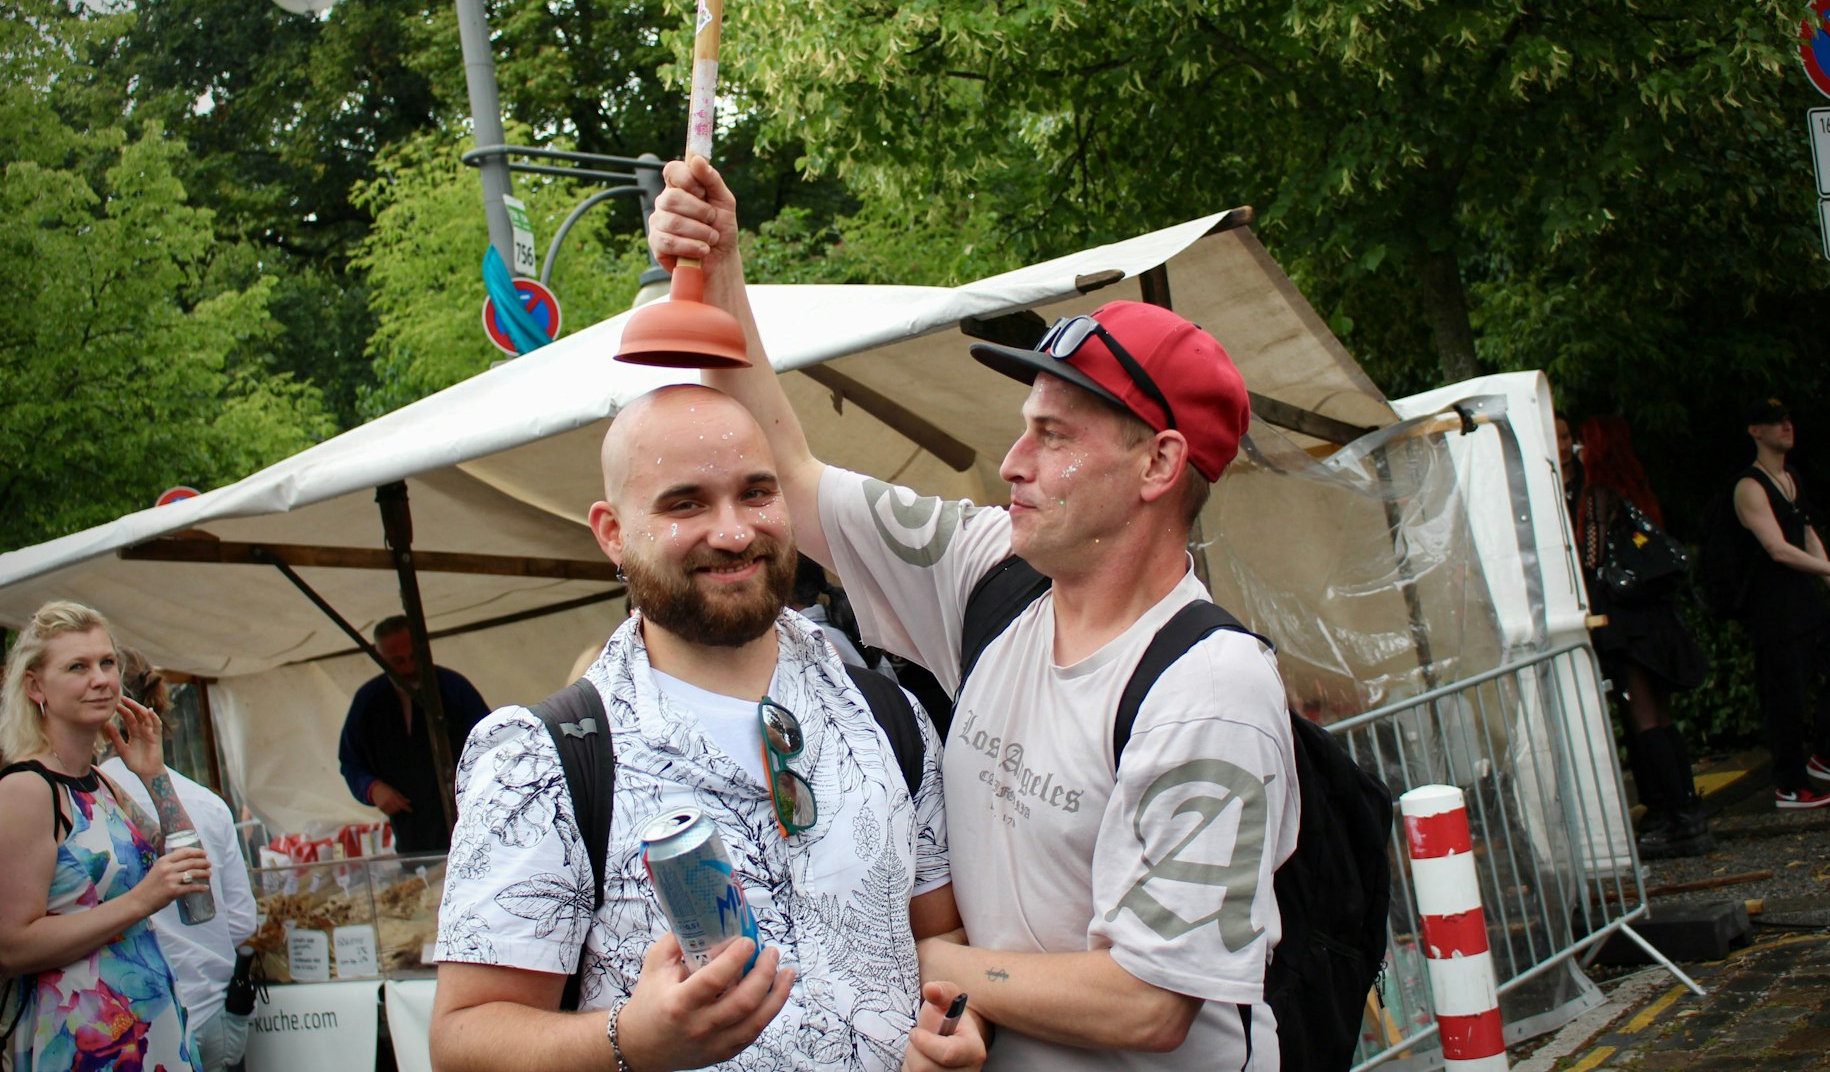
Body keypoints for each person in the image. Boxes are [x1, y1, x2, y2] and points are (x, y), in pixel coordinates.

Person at [649, 157, 1300, 1069]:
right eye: (1025, 424)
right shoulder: (992, 567)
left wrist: (932, 961)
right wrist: (720, 271)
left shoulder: (1212, 689)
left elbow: (1150, 1001)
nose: (1012, 461)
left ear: (1157, 465)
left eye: (1054, 435)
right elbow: (794, 479)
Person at [428, 385, 986, 1072]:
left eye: (756, 493)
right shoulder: (542, 760)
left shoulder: (886, 715)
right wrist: (629, 1039)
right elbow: (463, 1037)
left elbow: (938, 938)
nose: (733, 532)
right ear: (612, 532)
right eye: (686, 503)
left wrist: (954, 1026)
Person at [0, 601, 209, 1071]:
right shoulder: (26, 789)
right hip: (82, 1037)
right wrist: (141, 900)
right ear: (35, 686)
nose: (101, 679)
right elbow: (10, 946)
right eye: (78, 666)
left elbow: (194, 877)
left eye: (107, 662)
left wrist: (155, 776)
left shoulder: (100, 783)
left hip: (150, 1025)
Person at [97, 646, 258, 1072]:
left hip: (132, 1019)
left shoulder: (88, 806)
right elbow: (242, 924)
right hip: (212, 1008)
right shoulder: (208, 803)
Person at [1561, 413, 1712, 857]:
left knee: (1643, 718)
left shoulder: (1598, 495)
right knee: (1662, 717)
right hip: (1654, 617)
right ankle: (1687, 807)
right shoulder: (1634, 489)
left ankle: (1676, 815)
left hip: (1625, 623)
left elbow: (1591, 561)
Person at [1734, 397, 1830, 810]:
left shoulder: (1791, 478)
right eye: (1774, 421)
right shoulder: (1749, 487)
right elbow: (1778, 549)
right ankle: (1790, 785)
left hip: (1806, 600)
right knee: (1786, 697)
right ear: (1755, 431)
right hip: (1773, 609)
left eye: (1788, 419)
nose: (1786, 426)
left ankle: (1827, 756)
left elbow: (1807, 535)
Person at [337, 614, 491, 853]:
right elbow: (351, 761)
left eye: (414, 658)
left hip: (470, 827)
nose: (409, 668)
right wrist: (373, 788)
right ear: (380, 658)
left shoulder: (454, 689)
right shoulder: (368, 702)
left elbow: (492, 746)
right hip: (411, 835)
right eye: (397, 662)